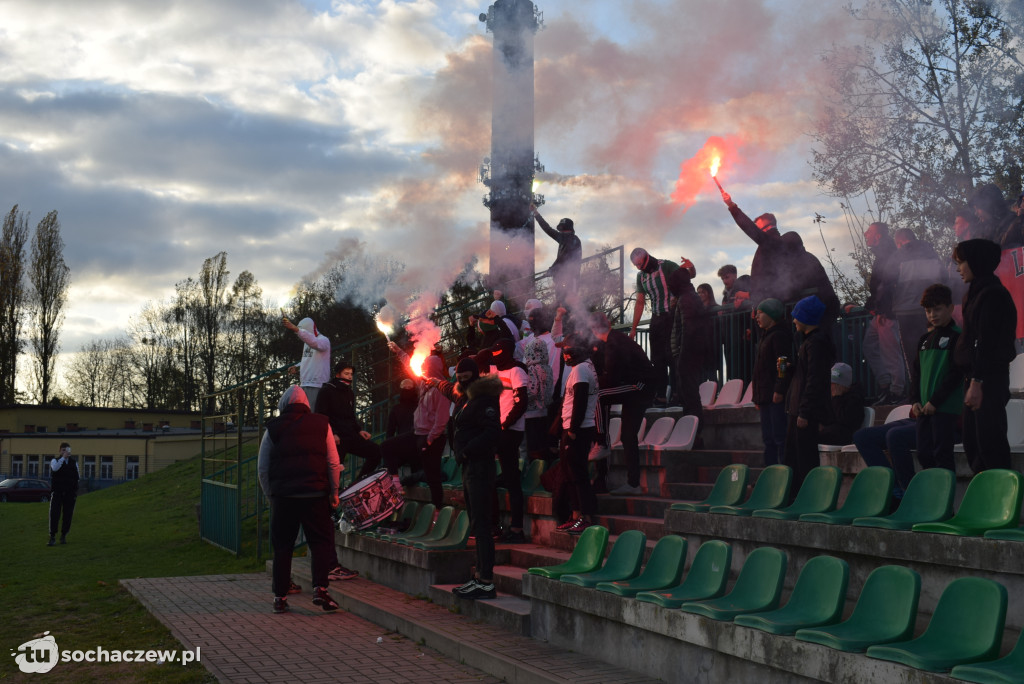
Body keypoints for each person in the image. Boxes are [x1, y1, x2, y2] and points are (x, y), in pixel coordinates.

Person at [257, 386, 343, 614]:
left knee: (283, 546)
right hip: (315, 495)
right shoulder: (321, 424)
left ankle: (280, 597)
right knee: (320, 542)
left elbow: (262, 468)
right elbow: (333, 462)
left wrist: (271, 495)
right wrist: (334, 492)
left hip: (284, 497)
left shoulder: (272, 429)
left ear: (283, 405)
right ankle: (320, 589)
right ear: (306, 405)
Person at [430, 358, 502, 600]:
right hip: (469, 467)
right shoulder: (464, 396)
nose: (461, 380)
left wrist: (468, 450)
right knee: (475, 524)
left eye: (465, 376)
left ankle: (487, 581)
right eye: (458, 377)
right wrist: (433, 381)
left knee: (482, 526)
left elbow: (493, 432)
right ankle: (479, 577)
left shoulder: (485, 398)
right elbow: (448, 389)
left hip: (480, 467)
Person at [953, 238, 1018, 472]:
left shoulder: (993, 295)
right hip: (974, 378)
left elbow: (987, 343)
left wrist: (977, 382)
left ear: (977, 263)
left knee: (990, 445)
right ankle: (983, 503)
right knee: (973, 445)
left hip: (988, 379)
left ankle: (1001, 504)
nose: (958, 269)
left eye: (962, 263)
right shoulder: (974, 294)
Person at [589, 311, 656, 496]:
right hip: (638, 387)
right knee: (627, 435)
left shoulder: (614, 343)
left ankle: (601, 443)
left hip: (639, 387)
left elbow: (611, 378)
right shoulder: (613, 340)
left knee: (598, 394)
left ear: (594, 329)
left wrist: (593, 382)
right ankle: (634, 484)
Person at [381, 346, 451, 509]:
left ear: (431, 368)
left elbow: (441, 420)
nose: (422, 368)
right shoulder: (424, 383)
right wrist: (398, 350)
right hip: (417, 434)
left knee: (432, 476)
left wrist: (429, 440)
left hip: (432, 439)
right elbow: (410, 364)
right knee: (386, 446)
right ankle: (396, 483)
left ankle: (438, 510)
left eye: (425, 366)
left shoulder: (441, 390)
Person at [910, 284, 964, 475]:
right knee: (924, 454)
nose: (933, 314)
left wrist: (936, 401)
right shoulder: (924, 339)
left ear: (950, 308)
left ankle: (945, 502)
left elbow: (956, 374)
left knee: (942, 454)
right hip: (924, 409)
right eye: (928, 310)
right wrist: (915, 399)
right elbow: (916, 373)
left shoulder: (958, 337)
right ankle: (932, 498)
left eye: (938, 309)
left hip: (945, 408)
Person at [784, 296, 835, 493]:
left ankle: (808, 497)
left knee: (804, 459)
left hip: (806, 413)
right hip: (797, 410)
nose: (794, 320)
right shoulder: (809, 343)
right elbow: (808, 374)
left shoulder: (817, 343)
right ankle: (793, 496)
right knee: (792, 458)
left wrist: (804, 412)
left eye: (796, 316)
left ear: (806, 317)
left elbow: (815, 379)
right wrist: (793, 369)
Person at [557, 333, 601, 535]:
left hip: (579, 429)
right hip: (574, 427)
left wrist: (573, 430)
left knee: (578, 474)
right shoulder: (581, 368)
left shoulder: (582, 369)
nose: (564, 355)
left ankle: (585, 517)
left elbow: (580, 401)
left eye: (567, 351)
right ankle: (576, 516)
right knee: (570, 474)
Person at [889, 228, 944, 384]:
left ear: (899, 241)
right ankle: (934, 384)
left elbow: (886, 282)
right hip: (931, 311)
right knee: (933, 349)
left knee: (912, 352)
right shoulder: (932, 254)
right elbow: (944, 279)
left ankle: (917, 389)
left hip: (906, 311)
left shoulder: (898, 256)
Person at [487, 338, 529, 543]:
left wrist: (505, 424)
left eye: (499, 352)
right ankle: (497, 526)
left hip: (510, 431)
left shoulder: (517, 371)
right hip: (498, 429)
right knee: (494, 478)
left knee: (512, 481)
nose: (495, 356)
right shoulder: (495, 370)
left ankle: (517, 528)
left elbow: (522, 403)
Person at [861, 222, 906, 404]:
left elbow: (888, 285)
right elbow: (879, 287)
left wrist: (884, 310)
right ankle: (886, 384)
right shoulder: (882, 253)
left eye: (869, 231)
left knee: (890, 351)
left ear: (878, 236)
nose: (865, 234)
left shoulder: (887, 253)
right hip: (882, 310)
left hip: (888, 312)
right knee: (869, 345)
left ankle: (897, 391)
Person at [315, 362, 382, 479]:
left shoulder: (349, 392)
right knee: (335, 470)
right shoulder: (326, 391)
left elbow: (351, 415)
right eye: (346, 374)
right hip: (337, 439)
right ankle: (333, 494)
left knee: (376, 452)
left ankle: (358, 485)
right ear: (337, 374)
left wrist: (359, 430)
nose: (350, 377)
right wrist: (333, 433)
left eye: (351, 374)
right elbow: (321, 415)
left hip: (351, 435)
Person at [628, 247, 678, 405]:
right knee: (657, 358)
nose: (639, 268)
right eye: (636, 265)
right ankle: (661, 394)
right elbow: (640, 302)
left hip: (672, 314)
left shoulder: (667, 265)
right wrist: (634, 328)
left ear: (647, 259)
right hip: (656, 317)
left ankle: (677, 392)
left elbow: (686, 278)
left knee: (673, 355)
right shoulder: (641, 277)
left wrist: (676, 297)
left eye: (640, 264)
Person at [667, 266, 712, 424]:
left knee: (689, 394)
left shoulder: (687, 298)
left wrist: (683, 354)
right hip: (685, 352)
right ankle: (692, 430)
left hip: (687, 353)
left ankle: (695, 431)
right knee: (686, 394)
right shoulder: (686, 297)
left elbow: (689, 329)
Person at [751, 299, 791, 466]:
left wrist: (779, 390)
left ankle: (783, 477)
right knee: (768, 439)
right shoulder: (765, 336)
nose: (756, 317)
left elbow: (782, 365)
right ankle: (770, 477)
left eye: (760, 313)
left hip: (775, 397)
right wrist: (757, 397)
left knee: (779, 438)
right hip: (765, 397)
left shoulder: (779, 335)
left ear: (772, 315)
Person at [853, 417, 918, 498]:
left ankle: (910, 492)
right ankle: (892, 489)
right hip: (913, 419)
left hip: (931, 421)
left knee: (895, 435)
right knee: (862, 436)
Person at [532, 204, 582, 306]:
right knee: (561, 303)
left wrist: (552, 269)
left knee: (567, 304)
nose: (561, 231)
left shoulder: (571, 240)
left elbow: (564, 258)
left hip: (570, 278)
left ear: (566, 229)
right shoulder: (571, 239)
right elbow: (548, 229)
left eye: (562, 229)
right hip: (565, 278)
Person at [283, 316, 332, 409]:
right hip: (305, 383)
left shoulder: (324, 341)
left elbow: (315, 343)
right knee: (306, 413)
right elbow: (307, 359)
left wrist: (296, 329)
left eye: (303, 331)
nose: (301, 335)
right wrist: (297, 367)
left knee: (313, 414)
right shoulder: (307, 343)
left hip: (317, 384)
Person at [817, 362, 867, 446]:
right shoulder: (833, 396)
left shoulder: (854, 399)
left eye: (834, 384)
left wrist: (837, 398)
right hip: (832, 431)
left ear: (841, 385)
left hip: (845, 435)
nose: (831, 387)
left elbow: (843, 420)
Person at [48, 442, 79, 546]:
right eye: (63, 450)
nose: (66, 452)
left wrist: (74, 491)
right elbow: (55, 468)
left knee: (68, 515)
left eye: (67, 450)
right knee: (54, 514)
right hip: (57, 492)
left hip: (69, 493)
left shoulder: (73, 463)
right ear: (60, 451)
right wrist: (62, 458)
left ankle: (63, 535)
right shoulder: (55, 461)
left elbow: (77, 476)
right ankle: (52, 536)